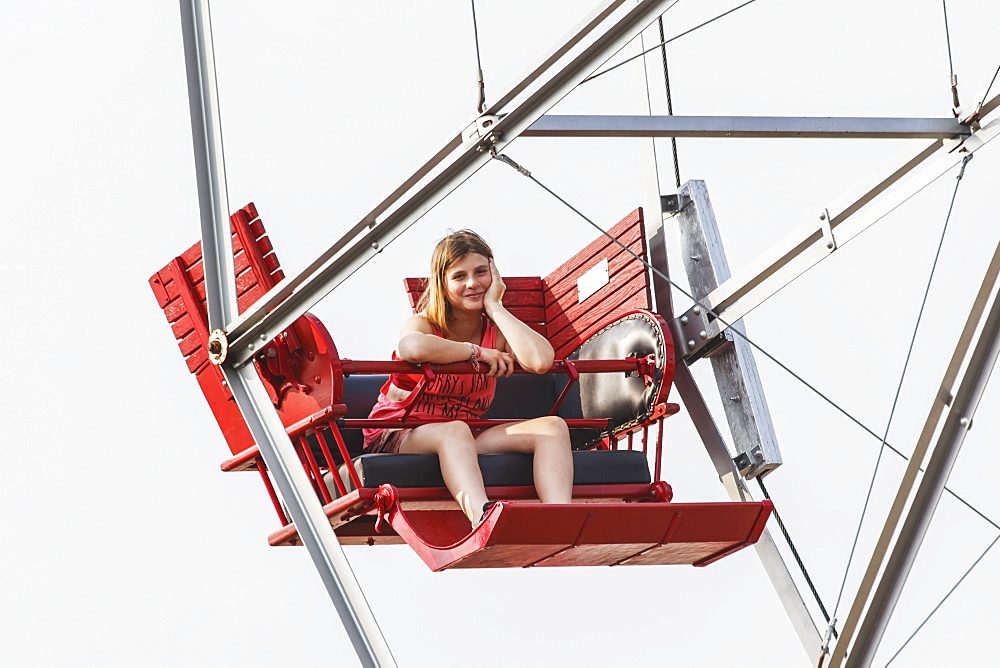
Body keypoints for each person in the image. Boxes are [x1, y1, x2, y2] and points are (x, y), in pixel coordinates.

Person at [362, 230, 574, 527]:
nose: (473, 284)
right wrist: (476, 353)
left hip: (466, 435)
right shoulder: (424, 323)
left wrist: (496, 308)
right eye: (459, 276)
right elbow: (411, 347)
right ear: (443, 285)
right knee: (454, 430)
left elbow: (540, 361)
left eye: (481, 272)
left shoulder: (495, 331)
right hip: (400, 433)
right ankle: (482, 517)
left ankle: (561, 520)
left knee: (552, 427)